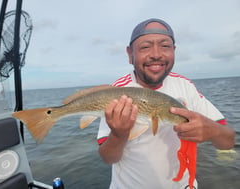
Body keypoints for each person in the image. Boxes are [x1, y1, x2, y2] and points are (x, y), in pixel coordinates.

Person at [97, 18, 235, 189]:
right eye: (145, 47)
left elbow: (228, 142)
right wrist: (119, 134)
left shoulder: (186, 87)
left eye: (165, 46)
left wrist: (212, 130)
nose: (156, 54)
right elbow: (108, 158)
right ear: (130, 54)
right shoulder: (116, 93)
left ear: (174, 51)